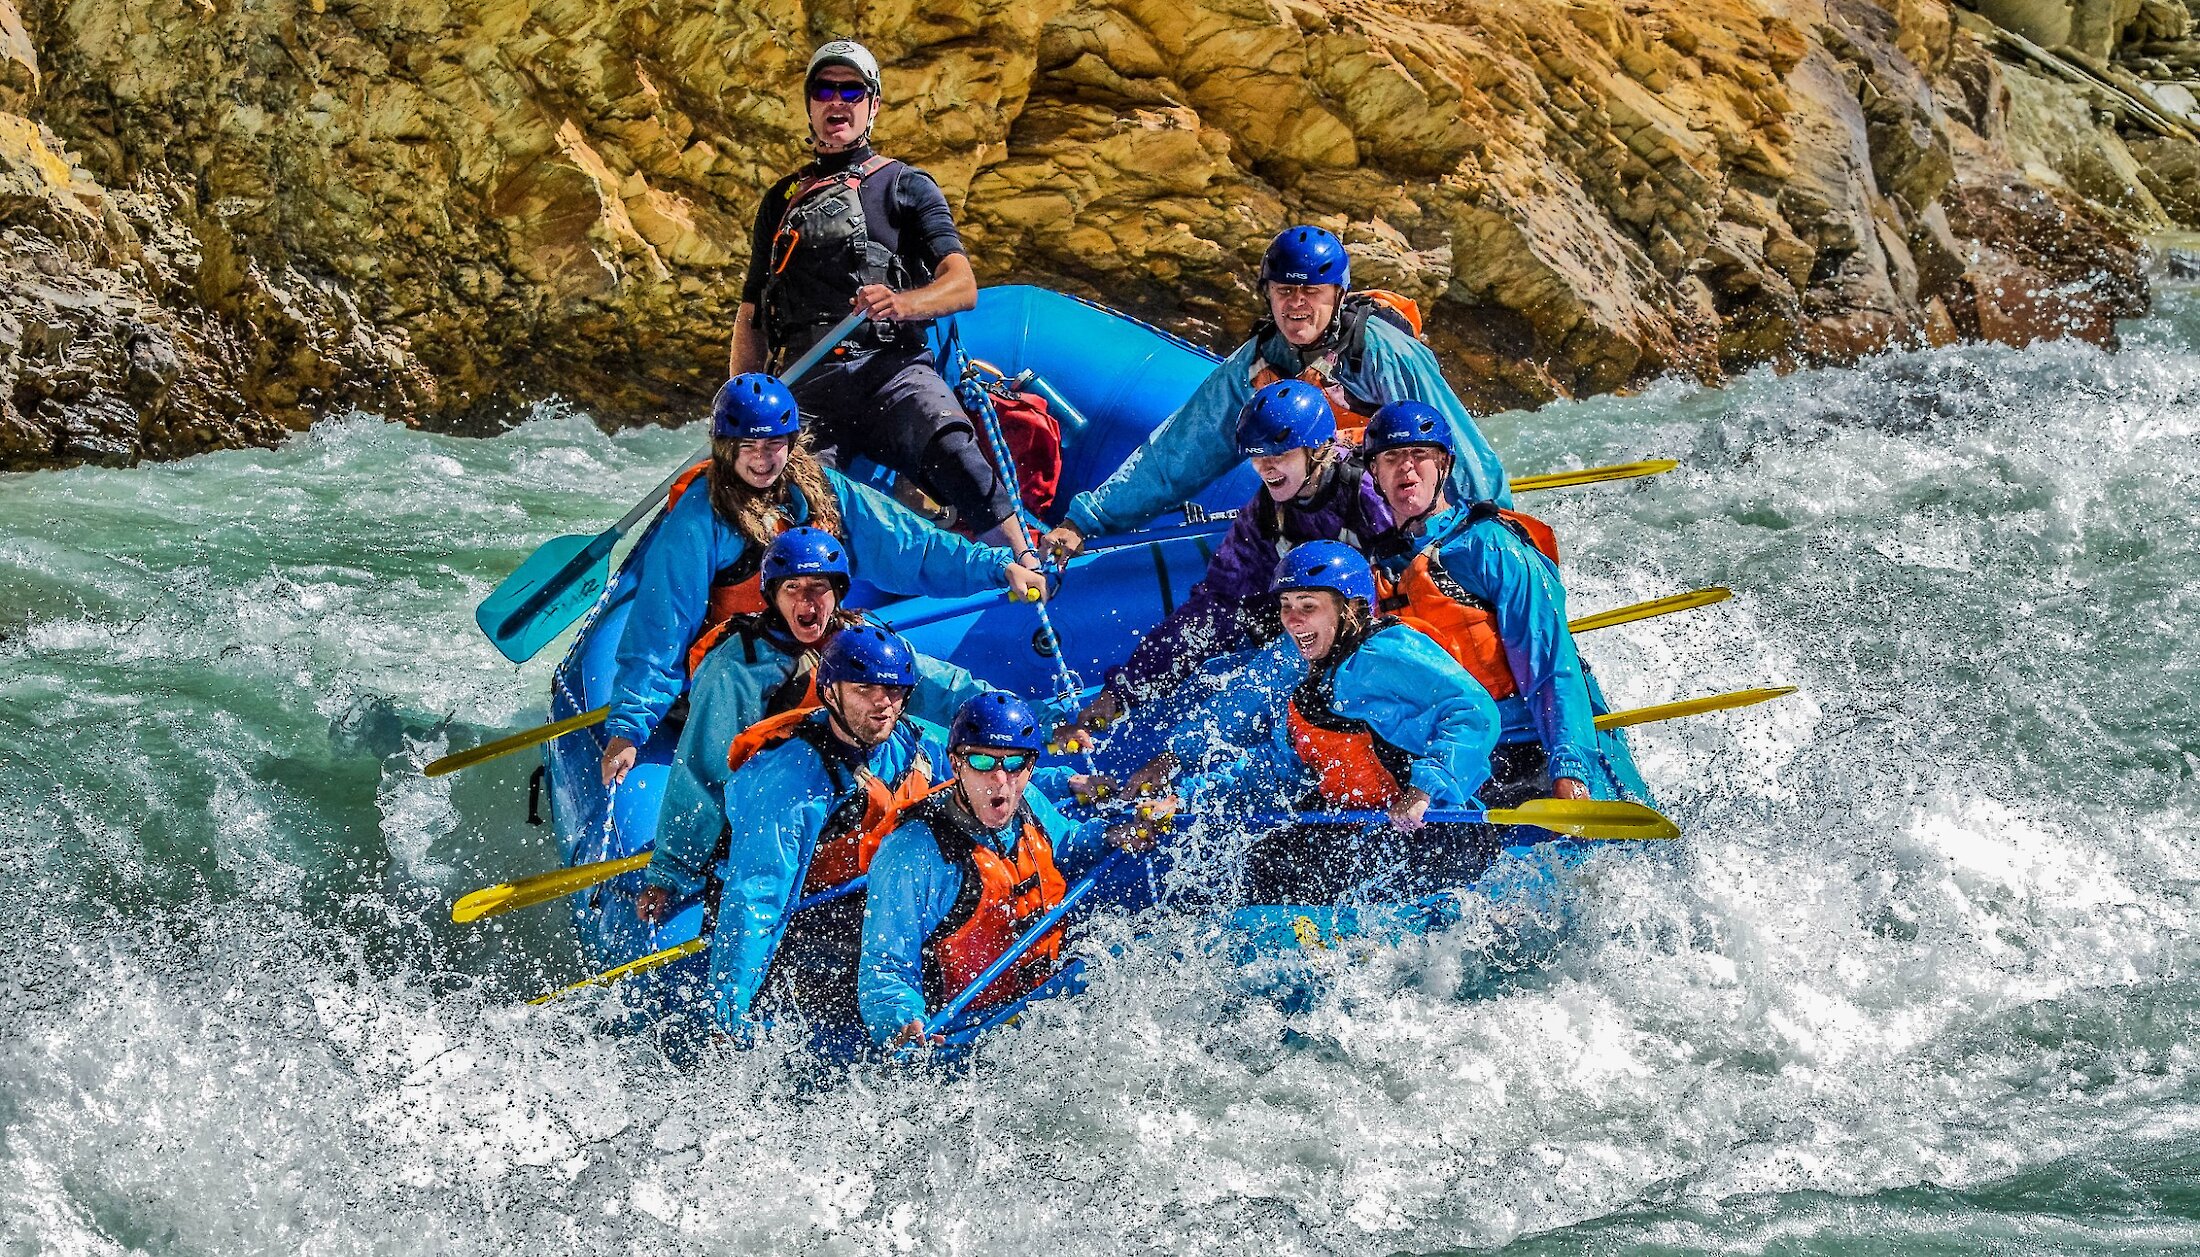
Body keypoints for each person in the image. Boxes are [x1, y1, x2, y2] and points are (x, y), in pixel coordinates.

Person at [601, 372, 1043, 786]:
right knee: (852, 713)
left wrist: (996, 566)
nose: (762, 459)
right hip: (744, 664)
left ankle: (1016, 743)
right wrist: (628, 726)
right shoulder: (701, 516)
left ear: (792, 443)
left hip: (819, 641)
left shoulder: (820, 489)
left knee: (913, 674)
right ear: (724, 447)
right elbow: (661, 626)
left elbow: (912, 545)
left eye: (774, 444)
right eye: (748, 446)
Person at [727, 38, 1037, 563]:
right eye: (825, 89)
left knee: (951, 446)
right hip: (809, 385)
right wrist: (739, 405)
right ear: (809, 104)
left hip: (892, 371)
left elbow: (961, 284)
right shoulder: (780, 200)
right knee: (788, 504)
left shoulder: (906, 185)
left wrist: (902, 303)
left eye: (853, 90)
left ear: (872, 105)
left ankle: (1021, 562)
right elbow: (752, 313)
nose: (837, 101)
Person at [1043, 225, 1511, 561]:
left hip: (1407, 510)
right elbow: (1177, 452)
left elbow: (1460, 453)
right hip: (1328, 512)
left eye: (1313, 292)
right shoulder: (1255, 364)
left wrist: (1486, 534)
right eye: (1284, 290)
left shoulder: (1385, 355)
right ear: (1267, 294)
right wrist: (1087, 521)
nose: (1297, 303)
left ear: (1338, 296)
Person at [644, 527, 995, 910]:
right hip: (787, 809)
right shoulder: (737, 669)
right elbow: (703, 771)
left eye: (818, 587)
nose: (807, 600)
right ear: (772, 594)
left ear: (838, 592)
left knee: (929, 749)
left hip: (860, 790)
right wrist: (672, 870)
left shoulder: (863, 635)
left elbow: (942, 688)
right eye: (792, 587)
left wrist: (1026, 725)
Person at [635, 624, 944, 1054]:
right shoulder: (792, 781)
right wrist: (729, 1008)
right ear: (831, 693)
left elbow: (984, 784)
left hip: (868, 895)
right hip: (806, 914)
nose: (883, 703)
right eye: (865, 689)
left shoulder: (912, 744)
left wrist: (1063, 783)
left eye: (894, 690)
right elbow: (757, 898)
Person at [1053, 377, 1392, 744]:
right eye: (1258, 457)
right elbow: (1216, 604)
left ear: (1317, 449)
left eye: (1279, 456)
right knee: (1215, 629)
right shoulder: (1265, 513)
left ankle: (1180, 755)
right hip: (1306, 615)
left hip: (1364, 627)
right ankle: (1155, 727)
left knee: (1282, 666)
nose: (1267, 468)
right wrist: (1121, 693)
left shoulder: (1370, 493)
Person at [1171, 542, 1501, 903]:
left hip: (1434, 834)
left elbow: (1475, 711)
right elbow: (1282, 767)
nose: (1293, 620)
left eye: (1308, 606)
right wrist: (1184, 799)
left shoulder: (1385, 652)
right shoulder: (1315, 685)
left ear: (1351, 609)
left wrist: (1423, 792)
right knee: (1250, 873)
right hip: (1364, 831)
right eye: (1286, 606)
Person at [858, 693, 1175, 1049]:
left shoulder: (1027, 804)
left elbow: (1065, 846)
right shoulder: (913, 852)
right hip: (966, 1030)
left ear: (1030, 766)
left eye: (1014, 764)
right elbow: (885, 967)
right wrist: (903, 1026)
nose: (1000, 780)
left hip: (1044, 1001)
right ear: (955, 763)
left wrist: (1112, 835)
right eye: (981, 761)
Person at [1358, 400, 1611, 804]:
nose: (1406, 467)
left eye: (1420, 454)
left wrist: (1569, 769)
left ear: (1445, 466)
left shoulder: (1488, 545)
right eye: (1391, 457)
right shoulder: (1379, 570)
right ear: (1374, 471)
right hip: (1466, 757)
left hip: (1541, 741)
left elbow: (1552, 663)